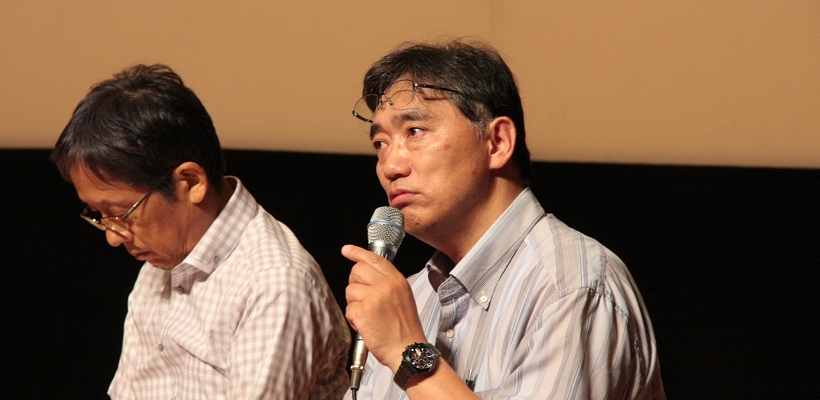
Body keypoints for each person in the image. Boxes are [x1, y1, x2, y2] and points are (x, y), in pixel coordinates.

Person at [342, 40, 665, 399]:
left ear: (497, 142)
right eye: (381, 144)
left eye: (414, 132)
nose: (390, 166)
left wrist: (408, 351)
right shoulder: (408, 299)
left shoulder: (571, 285)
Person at [52, 64, 350, 399]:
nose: (112, 236)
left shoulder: (274, 283)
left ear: (191, 182)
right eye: (99, 215)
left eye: (121, 213)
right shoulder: (163, 259)